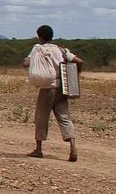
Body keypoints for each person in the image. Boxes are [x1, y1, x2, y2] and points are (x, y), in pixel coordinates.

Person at [22, 25, 85, 162]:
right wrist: (75, 75)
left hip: (47, 89)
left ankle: (38, 150)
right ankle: (73, 147)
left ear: (39, 36)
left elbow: (26, 63)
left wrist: (34, 66)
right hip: (62, 88)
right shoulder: (62, 50)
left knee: (41, 118)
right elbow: (79, 61)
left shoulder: (38, 49)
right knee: (64, 117)